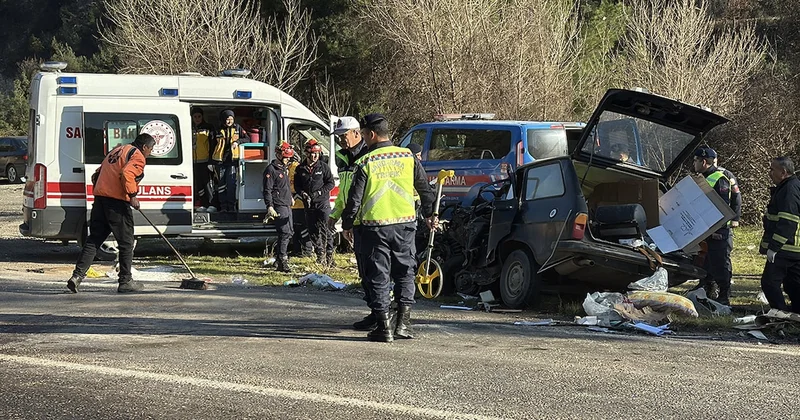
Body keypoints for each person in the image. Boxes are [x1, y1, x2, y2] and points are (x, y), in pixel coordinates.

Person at [341, 113, 436, 342]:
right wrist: (431, 214)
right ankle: (403, 324)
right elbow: (424, 189)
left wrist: (347, 224)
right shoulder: (408, 157)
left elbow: (354, 199)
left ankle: (384, 327)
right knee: (405, 272)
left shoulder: (365, 162)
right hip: (405, 225)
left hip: (375, 227)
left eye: (363, 134)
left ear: (371, 135)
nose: (364, 138)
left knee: (378, 275)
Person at [66, 133, 155, 293]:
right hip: (116, 203)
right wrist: (132, 195)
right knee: (127, 242)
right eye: (151, 149)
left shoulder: (117, 150)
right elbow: (127, 174)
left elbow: (97, 174)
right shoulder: (137, 155)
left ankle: (77, 277)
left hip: (100, 200)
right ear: (145, 147)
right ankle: (125, 281)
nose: (150, 152)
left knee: (94, 240)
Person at [328, 116, 372, 330]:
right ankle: (375, 311)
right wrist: (335, 215)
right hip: (353, 222)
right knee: (364, 272)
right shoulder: (343, 158)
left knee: (375, 271)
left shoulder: (368, 156)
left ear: (357, 133)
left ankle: (384, 313)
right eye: (337, 137)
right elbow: (345, 195)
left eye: (343, 136)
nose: (340, 141)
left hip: (369, 221)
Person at [692, 147, 737, 305]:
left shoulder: (720, 178)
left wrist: (717, 230)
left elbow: (722, 207)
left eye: (696, 160)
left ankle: (724, 295)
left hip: (718, 229)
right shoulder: (702, 177)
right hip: (705, 227)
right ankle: (705, 288)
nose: (694, 163)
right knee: (706, 261)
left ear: (704, 162)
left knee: (719, 262)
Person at [759, 156, 800, 313]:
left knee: (769, 283)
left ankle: (781, 315)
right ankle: (796, 314)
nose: (769, 173)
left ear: (783, 172)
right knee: (793, 284)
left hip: (785, 248)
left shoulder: (789, 190)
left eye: (772, 169)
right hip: (793, 248)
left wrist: (774, 247)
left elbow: (788, 221)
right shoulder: (790, 187)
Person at [294, 139, 335, 265]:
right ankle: (320, 255)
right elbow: (297, 186)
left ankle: (330, 256)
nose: (314, 156)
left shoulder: (323, 167)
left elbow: (331, 183)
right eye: (312, 153)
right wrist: (302, 194)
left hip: (323, 203)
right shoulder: (300, 168)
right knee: (313, 230)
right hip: (309, 205)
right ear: (306, 153)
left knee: (326, 229)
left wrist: (320, 192)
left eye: (316, 153)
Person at [264, 142, 295, 272]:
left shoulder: (283, 168)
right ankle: (283, 260)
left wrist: (290, 198)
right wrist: (270, 206)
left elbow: (284, 187)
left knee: (290, 231)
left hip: (286, 203)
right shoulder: (271, 169)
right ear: (279, 155)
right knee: (284, 232)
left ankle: (278, 260)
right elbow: (267, 189)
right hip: (278, 204)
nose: (288, 159)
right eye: (286, 157)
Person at [211, 109, 249, 213]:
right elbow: (211, 145)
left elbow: (247, 139)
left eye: (231, 119)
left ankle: (231, 207)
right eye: (227, 119)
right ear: (223, 119)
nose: (229, 121)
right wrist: (211, 162)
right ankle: (223, 207)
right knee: (221, 185)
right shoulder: (218, 129)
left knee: (231, 184)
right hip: (219, 161)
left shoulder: (237, 128)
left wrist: (237, 141)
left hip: (232, 161)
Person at [191, 107, 216, 212]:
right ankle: (203, 204)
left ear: (202, 117)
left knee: (208, 183)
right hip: (194, 160)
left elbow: (213, 144)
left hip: (206, 160)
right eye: (195, 117)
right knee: (199, 184)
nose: (197, 119)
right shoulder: (189, 127)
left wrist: (211, 161)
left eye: (199, 116)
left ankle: (212, 204)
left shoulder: (208, 127)